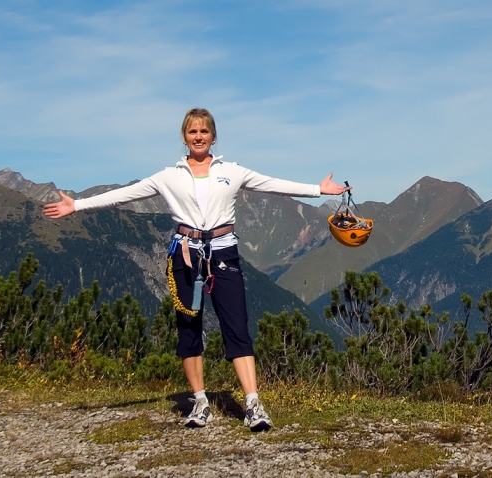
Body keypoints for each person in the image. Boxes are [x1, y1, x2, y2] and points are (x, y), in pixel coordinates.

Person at [43, 108, 348, 431]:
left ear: (213, 136)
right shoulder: (168, 176)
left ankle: (253, 404)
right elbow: (123, 196)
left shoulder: (233, 171)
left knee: (237, 326)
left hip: (223, 254)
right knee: (189, 327)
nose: (199, 136)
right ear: (185, 137)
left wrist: (318, 190)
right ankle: (200, 401)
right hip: (185, 256)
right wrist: (76, 205)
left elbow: (272, 184)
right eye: (192, 132)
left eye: (204, 131)